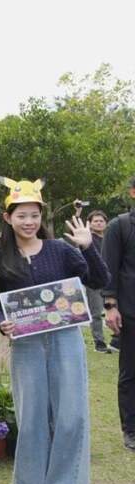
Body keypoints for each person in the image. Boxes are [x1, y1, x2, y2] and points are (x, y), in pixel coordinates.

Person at [0, 177, 108, 484]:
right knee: (32, 417)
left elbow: (99, 280)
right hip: (25, 342)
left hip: (65, 339)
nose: (29, 222)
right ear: (8, 217)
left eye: (34, 215)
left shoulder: (61, 250)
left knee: (70, 415)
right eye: (21, 215)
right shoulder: (2, 257)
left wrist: (88, 246)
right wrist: (1, 322)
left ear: (41, 217)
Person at [103, 174, 135, 450]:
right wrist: (111, 306)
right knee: (130, 371)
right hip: (130, 309)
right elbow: (108, 270)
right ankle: (131, 429)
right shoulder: (120, 226)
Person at [85, 210, 112, 353]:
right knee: (96, 312)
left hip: (111, 280)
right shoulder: (87, 238)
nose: (99, 223)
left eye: (101, 221)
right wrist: (78, 213)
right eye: (95, 221)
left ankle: (117, 340)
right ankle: (99, 342)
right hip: (94, 281)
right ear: (89, 224)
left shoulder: (110, 238)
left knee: (114, 308)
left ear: (106, 223)